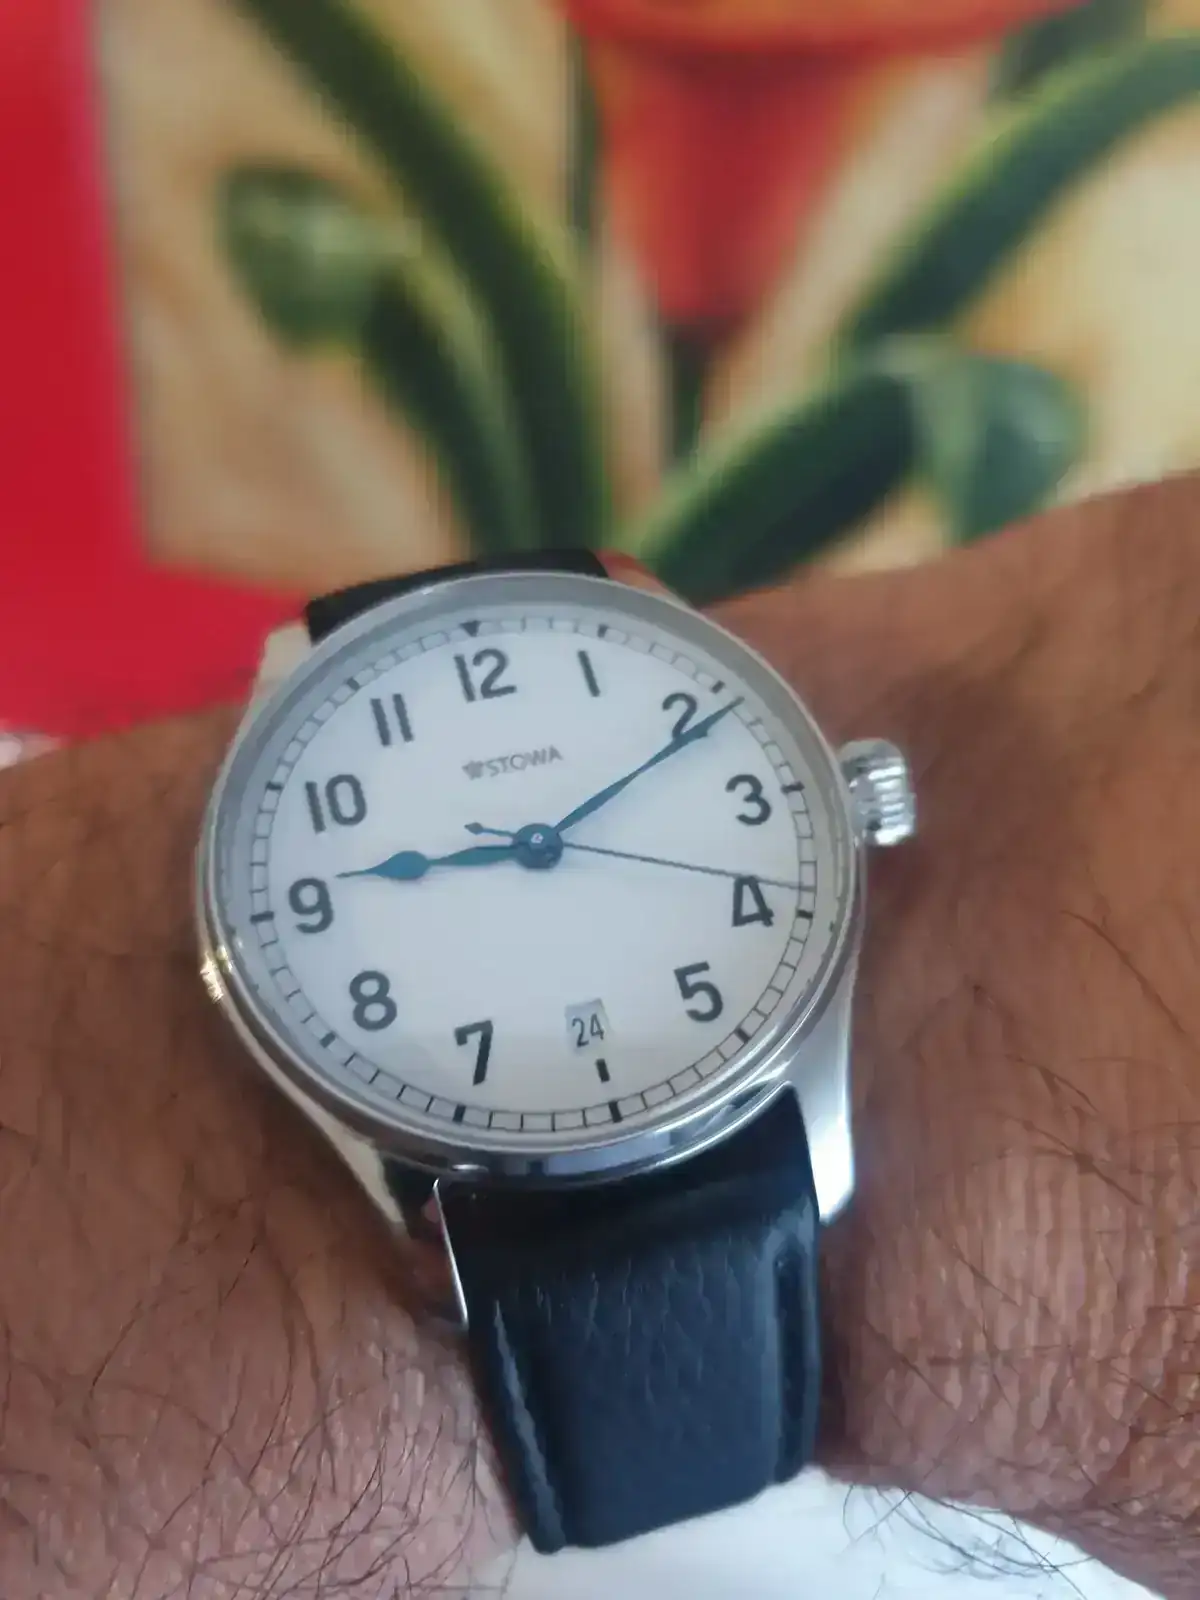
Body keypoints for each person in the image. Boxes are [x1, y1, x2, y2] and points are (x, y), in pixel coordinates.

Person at [2, 472, 1198, 1600]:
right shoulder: (425, 1202)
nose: (540, 845)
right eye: (530, 844)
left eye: (550, 839)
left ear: (857, 798)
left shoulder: (714, 762)